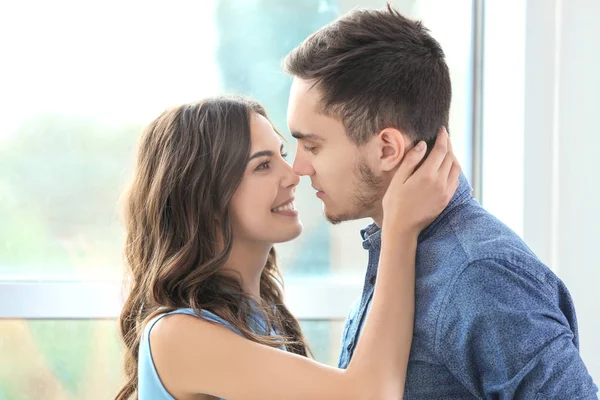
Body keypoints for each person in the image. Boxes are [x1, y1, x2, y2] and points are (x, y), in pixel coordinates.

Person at [283, 4, 598, 399]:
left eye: (312, 145)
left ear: (387, 149)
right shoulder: (402, 252)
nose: (298, 167)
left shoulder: (479, 274)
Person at [115, 95, 459, 399]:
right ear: (204, 197)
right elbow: (369, 395)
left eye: (281, 155)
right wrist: (399, 228)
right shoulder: (178, 336)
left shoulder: (261, 318)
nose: (294, 174)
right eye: (263, 165)